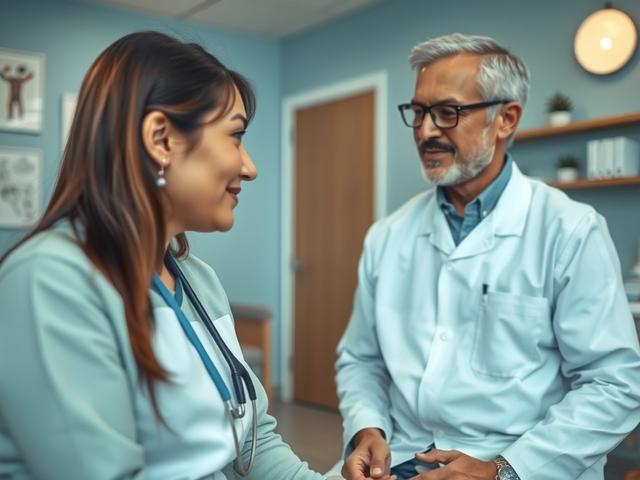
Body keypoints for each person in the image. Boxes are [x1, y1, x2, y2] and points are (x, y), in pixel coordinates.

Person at [0, 31, 325, 480]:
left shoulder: (197, 279)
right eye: (235, 136)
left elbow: (255, 441)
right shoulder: (51, 279)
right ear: (160, 139)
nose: (250, 167)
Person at [336, 33, 640, 480]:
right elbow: (361, 359)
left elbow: (615, 383)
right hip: (402, 455)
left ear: (506, 119)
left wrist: (504, 470)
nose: (425, 131)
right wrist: (367, 428)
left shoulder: (569, 229)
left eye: (447, 112)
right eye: (418, 112)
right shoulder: (388, 235)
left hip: (517, 461)